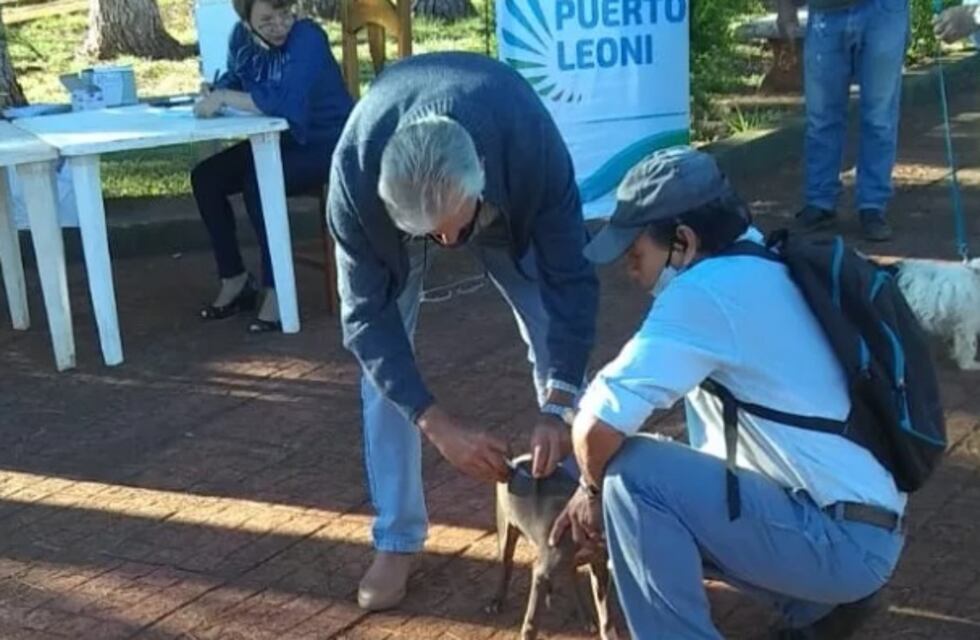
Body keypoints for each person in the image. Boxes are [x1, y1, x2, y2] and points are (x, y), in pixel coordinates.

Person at [550, 147, 906, 639]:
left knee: (630, 477)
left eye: (635, 254)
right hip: (859, 527)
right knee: (624, 475)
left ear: (683, 241)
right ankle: (817, 607)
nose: (630, 271)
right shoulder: (766, 260)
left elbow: (595, 425)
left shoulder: (705, 292)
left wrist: (591, 496)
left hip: (839, 542)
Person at [327, 52, 599, 611]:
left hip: (506, 200)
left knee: (551, 329)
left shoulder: (530, 146)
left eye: (455, 228)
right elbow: (365, 321)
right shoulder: (354, 176)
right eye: (432, 235)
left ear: (480, 176)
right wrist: (435, 423)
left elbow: (571, 282)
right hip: (401, 220)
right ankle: (396, 538)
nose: (449, 245)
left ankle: (575, 500)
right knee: (382, 379)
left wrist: (558, 402)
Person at [192, 0, 352, 332]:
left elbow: (285, 101)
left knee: (259, 182)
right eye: (266, 20)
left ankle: (277, 290)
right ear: (247, 22)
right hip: (282, 140)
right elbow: (239, 79)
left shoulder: (307, 36)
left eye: (285, 15)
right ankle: (235, 279)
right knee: (206, 177)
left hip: (327, 141)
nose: (279, 26)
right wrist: (216, 90)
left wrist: (224, 98)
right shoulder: (241, 38)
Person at [777, 0, 909, 242]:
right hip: (825, 13)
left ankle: (872, 205)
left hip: (883, 10)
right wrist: (785, 6)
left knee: (879, 116)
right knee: (821, 117)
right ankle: (820, 201)